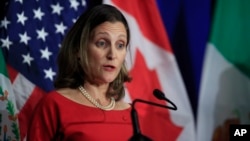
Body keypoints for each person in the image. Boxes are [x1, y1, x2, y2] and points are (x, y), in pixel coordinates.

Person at [27, 4, 133, 141]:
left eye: (120, 45)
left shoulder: (131, 114)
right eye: (102, 43)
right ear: (78, 49)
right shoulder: (54, 105)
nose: (112, 54)